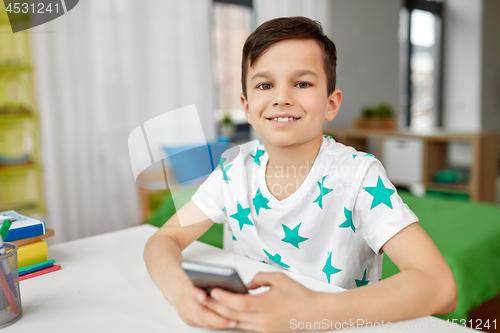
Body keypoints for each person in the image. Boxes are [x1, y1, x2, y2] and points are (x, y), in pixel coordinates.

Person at [143, 16, 457, 332]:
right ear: (248, 107)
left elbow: (440, 286)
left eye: (302, 83)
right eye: (265, 85)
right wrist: (180, 293)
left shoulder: (358, 176)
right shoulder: (232, 172)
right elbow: (164, 239)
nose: (282, 97)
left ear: (331, 104)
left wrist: (313, 310)